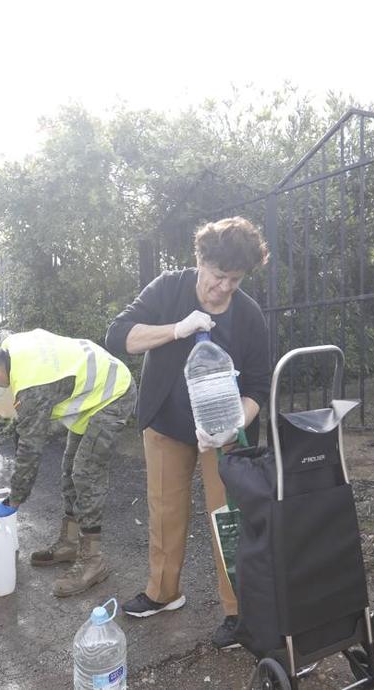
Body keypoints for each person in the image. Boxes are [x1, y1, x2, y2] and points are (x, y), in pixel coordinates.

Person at [105, 216, 271, 650]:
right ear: (200, 260)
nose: (224, 288)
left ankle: (239, 614)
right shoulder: (168, 289)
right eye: (218, 276)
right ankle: (163, 592)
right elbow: (118, 336)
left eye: (234, 280)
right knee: (165, 510)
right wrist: (177, 329)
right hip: (165, 423)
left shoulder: (248, 314)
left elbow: (257, 385)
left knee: (228, 520)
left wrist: (235, 424)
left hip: (222, 434)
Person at [0, 328, 136, 597]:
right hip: (91, 396)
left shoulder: (31, 388)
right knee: (69, 467)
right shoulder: (8, 345)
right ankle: (70, 543)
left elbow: (29, 450)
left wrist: (12, 502)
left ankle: (93, 560)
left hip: (113, 394)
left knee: (85, 473)